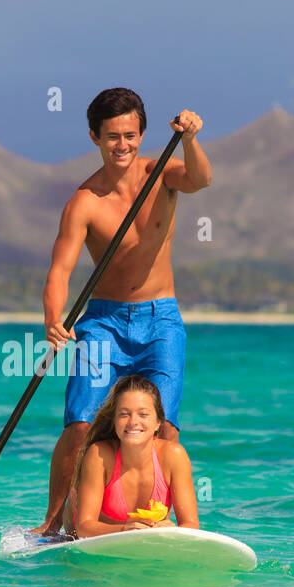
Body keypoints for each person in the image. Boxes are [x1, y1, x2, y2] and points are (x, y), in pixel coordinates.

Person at [33, 86, 211, 535]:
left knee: (165, 428)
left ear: (143, 133)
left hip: (161, 321)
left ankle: (159, 521)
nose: (123, 145)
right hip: (104, 323)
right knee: (80, 424)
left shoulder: (162, 173)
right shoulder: (85, 202)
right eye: (112, 136)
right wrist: (54, 319)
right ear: (94, 137)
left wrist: (190, 138)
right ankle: (57, 523)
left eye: (130, 135)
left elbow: (201, 179)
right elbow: (59, 270)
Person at [65, 375, 200, 538]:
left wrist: (173, 530)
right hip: (85, 537)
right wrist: (125, 530)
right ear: (114, 420)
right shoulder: (100, 455)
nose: (133, 422)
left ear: (158, 422)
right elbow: (84, 527)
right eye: (124, 414)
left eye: (143, 414)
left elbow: (192, 525)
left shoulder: (174, 456)